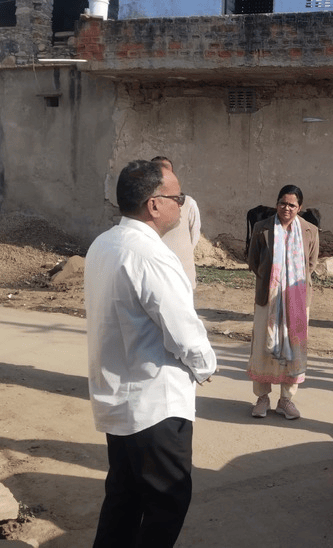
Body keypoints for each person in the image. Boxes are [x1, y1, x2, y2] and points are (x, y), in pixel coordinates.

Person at [85, 160, 217, 547]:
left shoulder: (103, 244)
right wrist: (205, 365)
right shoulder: (151, 256)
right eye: (178, 197)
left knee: (123, 501)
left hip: (118, 401)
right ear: (154, 205)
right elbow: (183, 330)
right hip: (155, 406)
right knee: (166, 504)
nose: (182, 204)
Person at [247, 185, 319, 420]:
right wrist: (273, 281)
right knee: (262, 345)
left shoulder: (309, 230)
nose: (286, 208)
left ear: (299, 207)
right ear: (276, 203)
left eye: (292, 205)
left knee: (294, 346)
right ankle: (262, 398)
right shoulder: (262, 227)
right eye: (282, 203)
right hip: (268, 297)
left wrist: (291, 284)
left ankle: (286, 399)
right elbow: (253, 261)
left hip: (297, 299)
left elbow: (311, 263)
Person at [152, 156, 202, 289]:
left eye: (166, 171)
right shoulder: (144, 205)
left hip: (182, 274)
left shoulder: (188, 203)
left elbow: (194, 235)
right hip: (154, 275)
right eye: (157, 171)